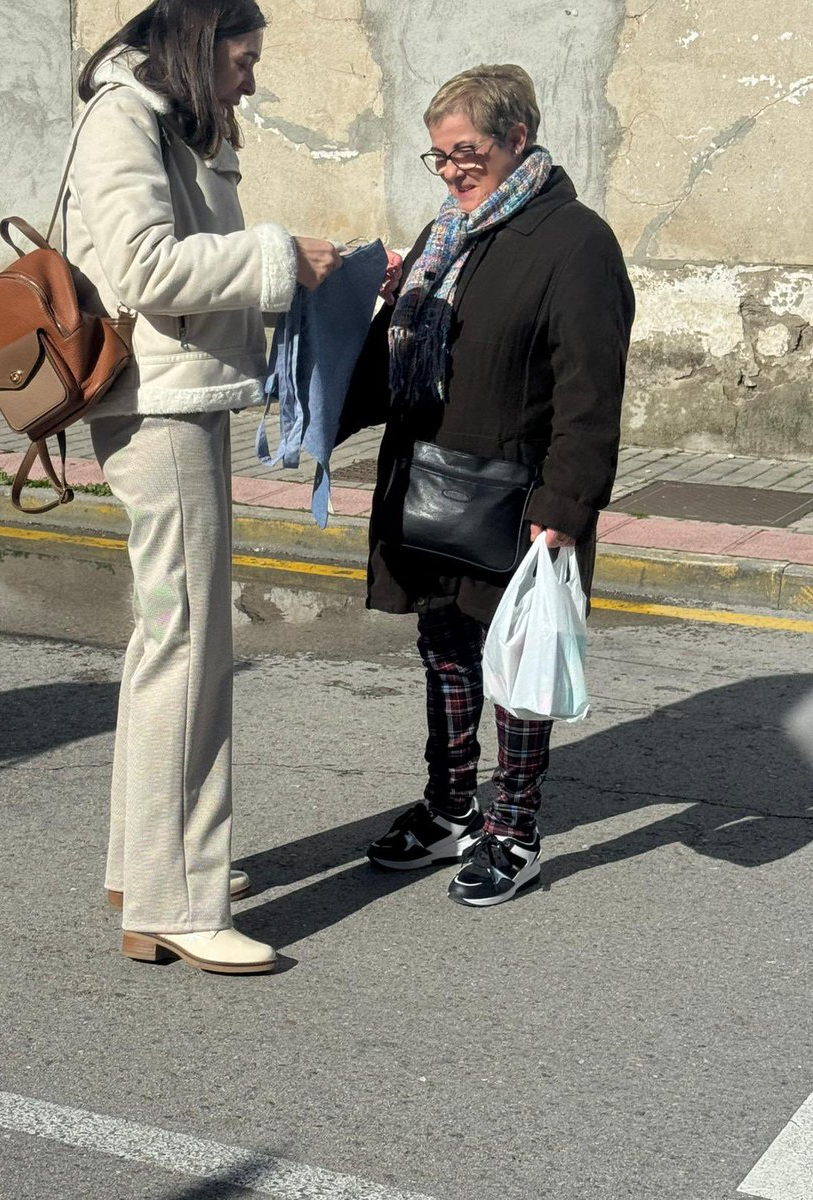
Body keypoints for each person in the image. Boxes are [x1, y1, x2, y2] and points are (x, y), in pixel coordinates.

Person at [65, 0, 343, 973]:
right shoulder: (124, 117)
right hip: (154, 408)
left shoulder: (166, 117)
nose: (252, 82)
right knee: (187, 650)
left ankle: (145, 871)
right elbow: (143, 266)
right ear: (197, 41)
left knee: (175, 640)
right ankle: (176, 899)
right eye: (245, 59)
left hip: (179, 398)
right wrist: (277, 253)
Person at [339, 64, 635, 906]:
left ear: (516, 138)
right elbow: (397, 350)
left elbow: (590, 388)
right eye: (438, 156)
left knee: (514, 668)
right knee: (443, 649)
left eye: (465, 152)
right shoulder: (450, 232)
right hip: (425, 477)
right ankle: (449, 806)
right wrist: (318, 417)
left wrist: (567, 507)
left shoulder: (576, 242)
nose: (451, 170)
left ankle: (515, 827)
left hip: (515, 494)